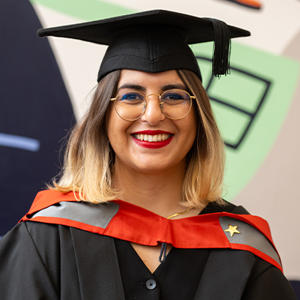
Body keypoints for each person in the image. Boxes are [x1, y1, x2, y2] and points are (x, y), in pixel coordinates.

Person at [0, 10, 297, 300]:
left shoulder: (243, 248)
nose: (153, 115)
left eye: (174, 96)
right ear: (103, 116)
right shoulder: (46, 239)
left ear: (199, 118)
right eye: (131, 96)